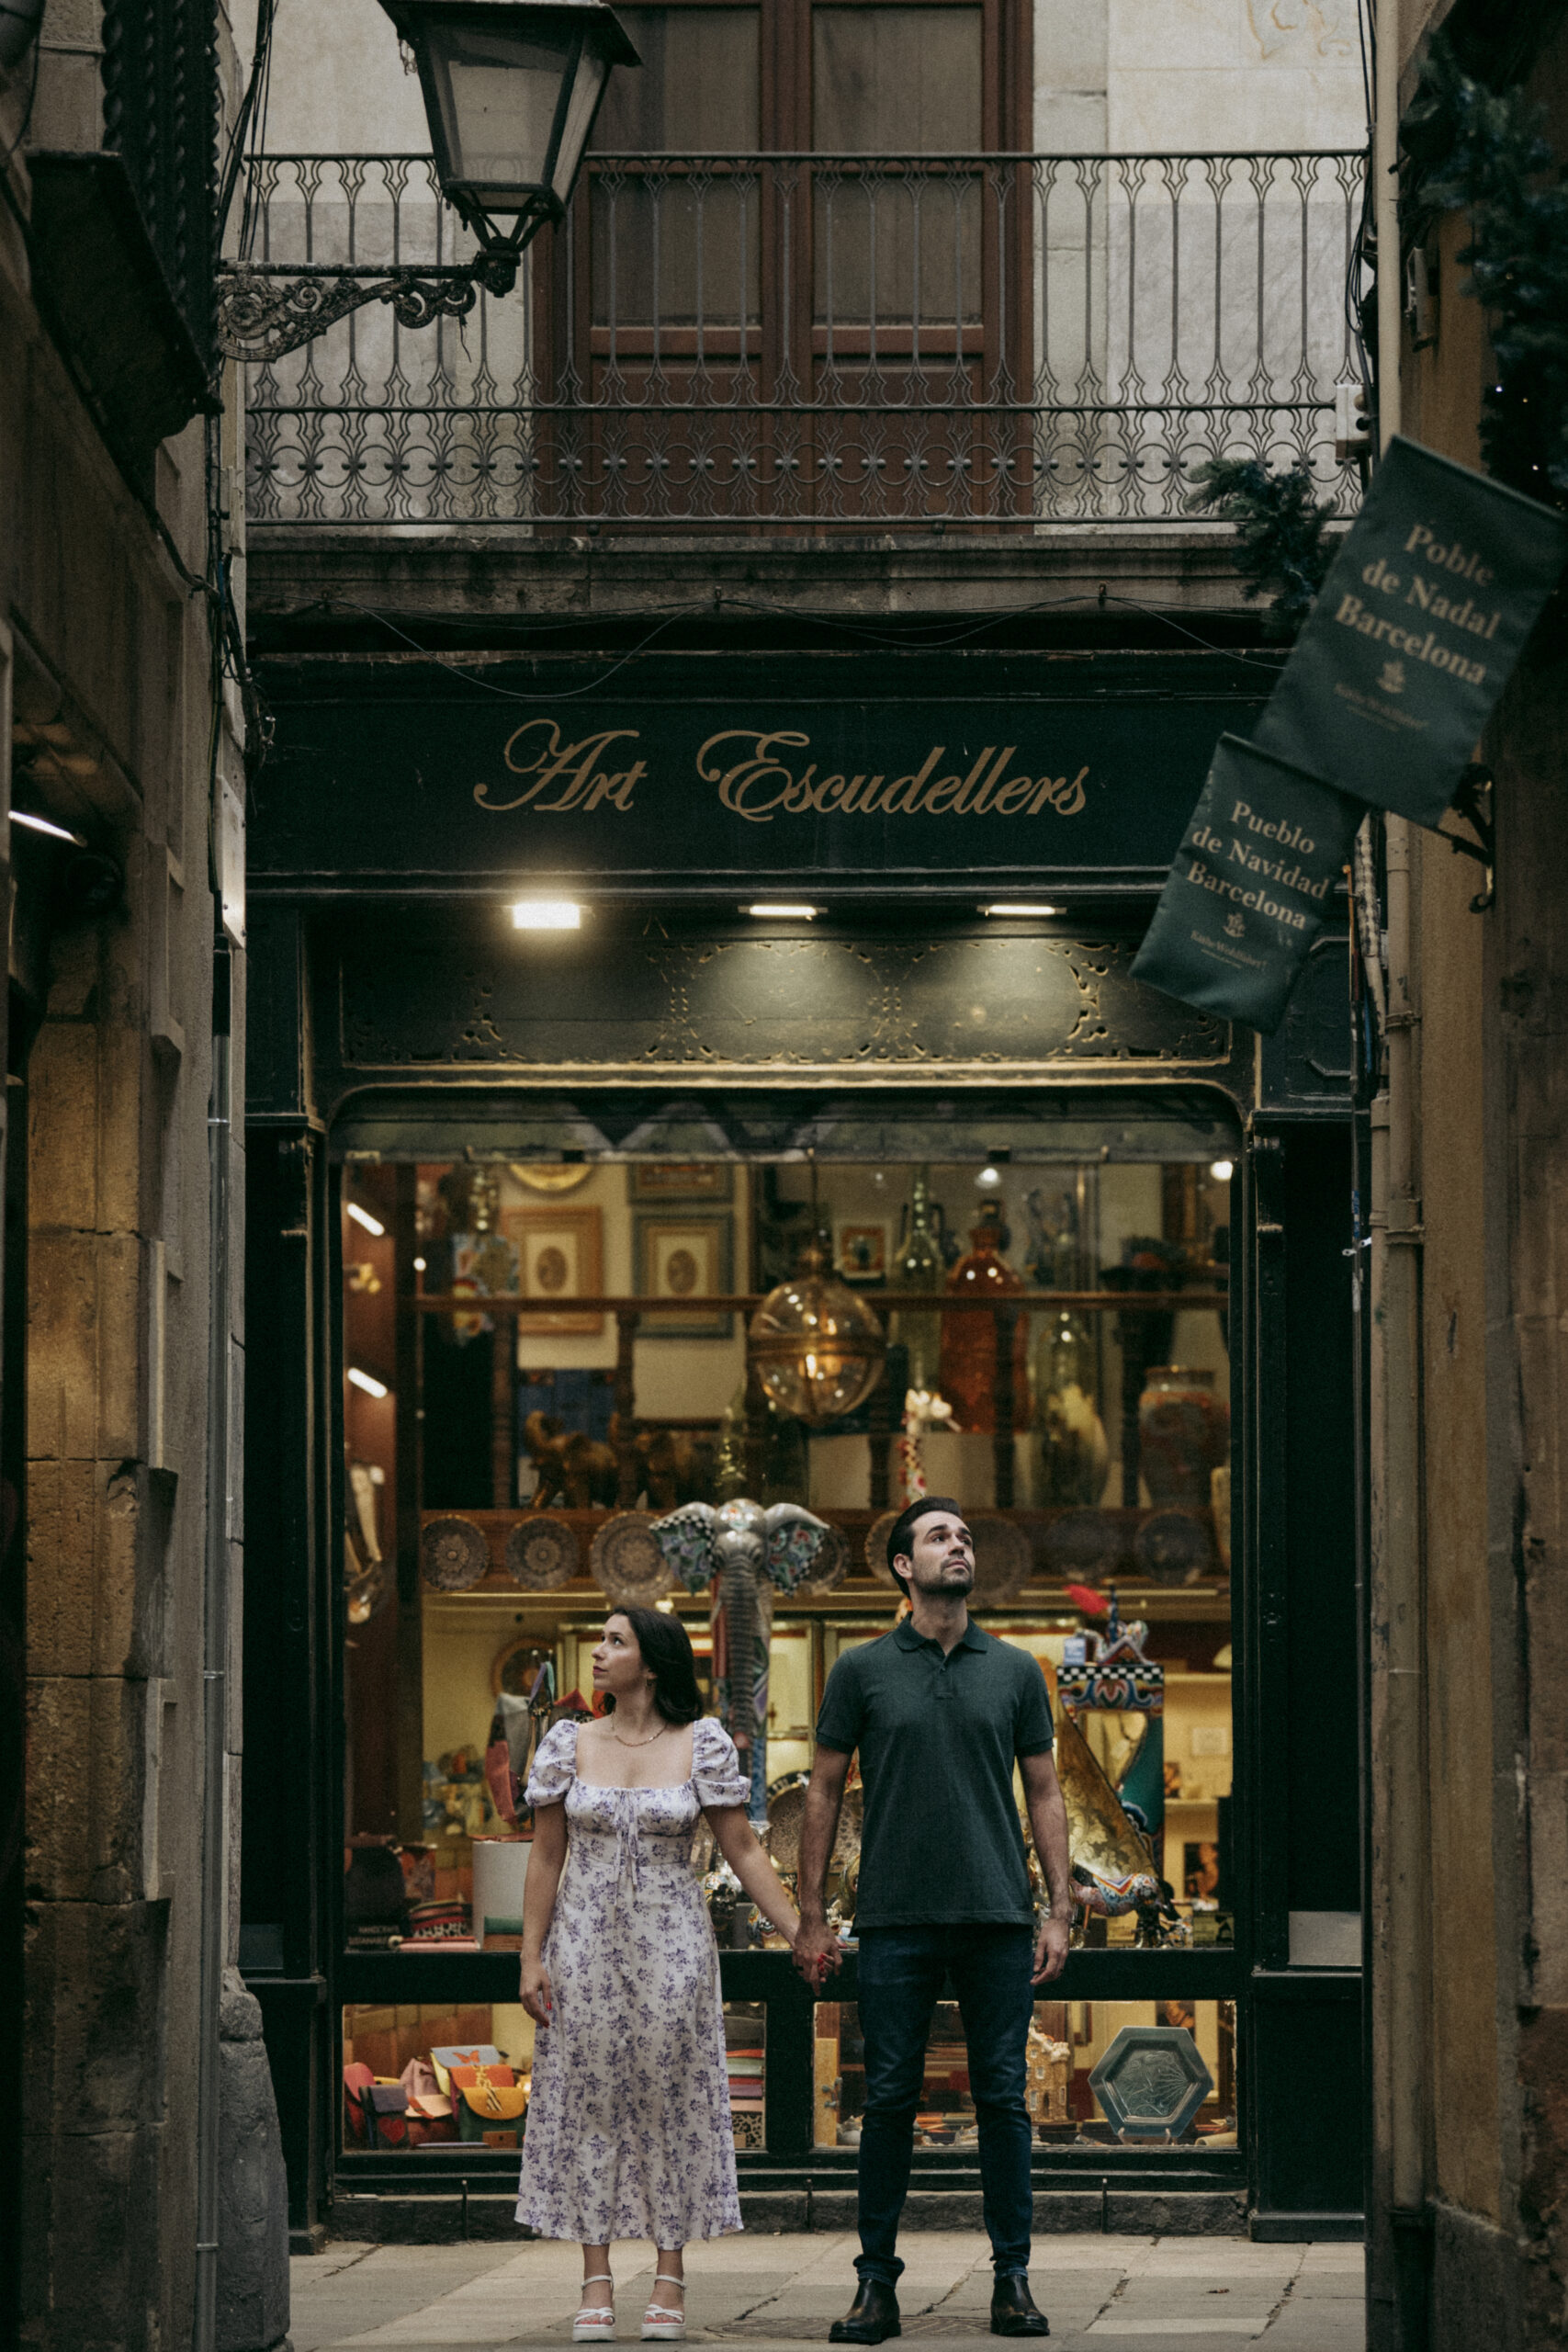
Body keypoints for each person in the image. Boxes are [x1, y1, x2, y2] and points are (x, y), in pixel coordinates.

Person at [792, 1498, 1072, 2345]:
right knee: (885, 2101)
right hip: (894, 1917)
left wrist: (1058, 1909)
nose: (959, 1545)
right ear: (904, 1569)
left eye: (964, 1536)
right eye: (939, 1537)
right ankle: (875, 2286)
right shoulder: (862, 1669)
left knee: (1002, 2102)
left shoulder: (1017, 1669)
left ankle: (1012, 2282)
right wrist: (810, 1914)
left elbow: (1046, 1792)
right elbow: (822, 1789)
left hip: (996, 1915)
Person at [517, 1606, 802, 2343]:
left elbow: (742, 1849)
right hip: (581, 1946)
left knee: (669, 2100)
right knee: (589, 2102)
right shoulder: (566, 1742)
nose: (598, 1653)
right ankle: (596, 2276)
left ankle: (670, 2274)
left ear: (651, 1663)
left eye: (615, 1642)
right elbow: (545, 1857)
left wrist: (799, 1929)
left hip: (672, 1947)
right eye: (601, 1640)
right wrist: (530, 1956)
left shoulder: (699, 1743)